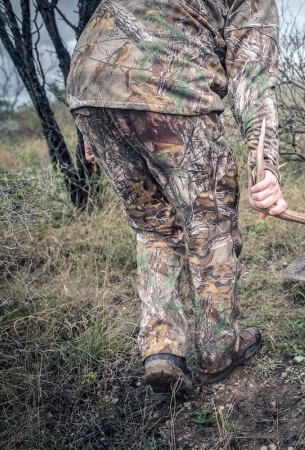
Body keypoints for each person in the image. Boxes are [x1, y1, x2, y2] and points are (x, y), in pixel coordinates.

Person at [67, 0, 287, 392]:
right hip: (170, 87)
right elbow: (252, 78)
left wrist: (89, 127)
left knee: (152, 228)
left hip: (90, 85)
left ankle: (162, 349)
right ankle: (219, 349)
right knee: (210, 225)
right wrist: (266, 165)